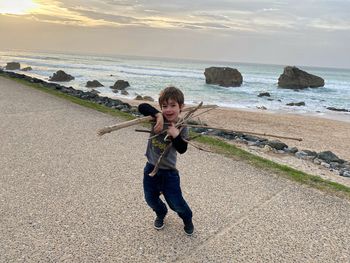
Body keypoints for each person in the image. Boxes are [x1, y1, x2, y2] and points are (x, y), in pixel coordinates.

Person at [138, 86, 194, 236]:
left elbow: (182, 149)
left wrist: (176, 135)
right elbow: (141, 106)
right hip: (150, 169)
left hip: (169, 173)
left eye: (173, 105)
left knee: (176, 203)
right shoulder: (155, 119)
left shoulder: (182, 126)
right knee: (150, 199)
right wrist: (158, 115)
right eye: (164, 106)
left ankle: (187, 219)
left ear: (181, 107)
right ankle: (161, 213)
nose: (168, 109)